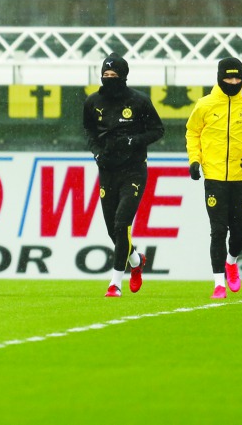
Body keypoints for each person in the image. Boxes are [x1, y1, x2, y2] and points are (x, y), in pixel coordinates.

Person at [185, 57, 242, 299]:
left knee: (239, 230)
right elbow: (192, 132)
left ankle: (232, 261)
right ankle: (218, 284)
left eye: (237, 77)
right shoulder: (205, 104)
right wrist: (195, 160)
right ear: (219, 77)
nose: (233, 81)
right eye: (228, 77)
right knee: (218, 230)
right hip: (213, 176)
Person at [80, 53, 164, 298]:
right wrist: (96, 153)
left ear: (124, 76)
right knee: (112, 231)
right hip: (107, 170)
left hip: (133, 170)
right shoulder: (93, 101)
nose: (109, 79)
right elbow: (89, 130)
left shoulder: (139, 101)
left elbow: (158, 130)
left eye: (114, 76)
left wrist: (133, 141)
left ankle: (115, 283)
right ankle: (137, 261)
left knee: (121, 224)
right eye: (105, 75)